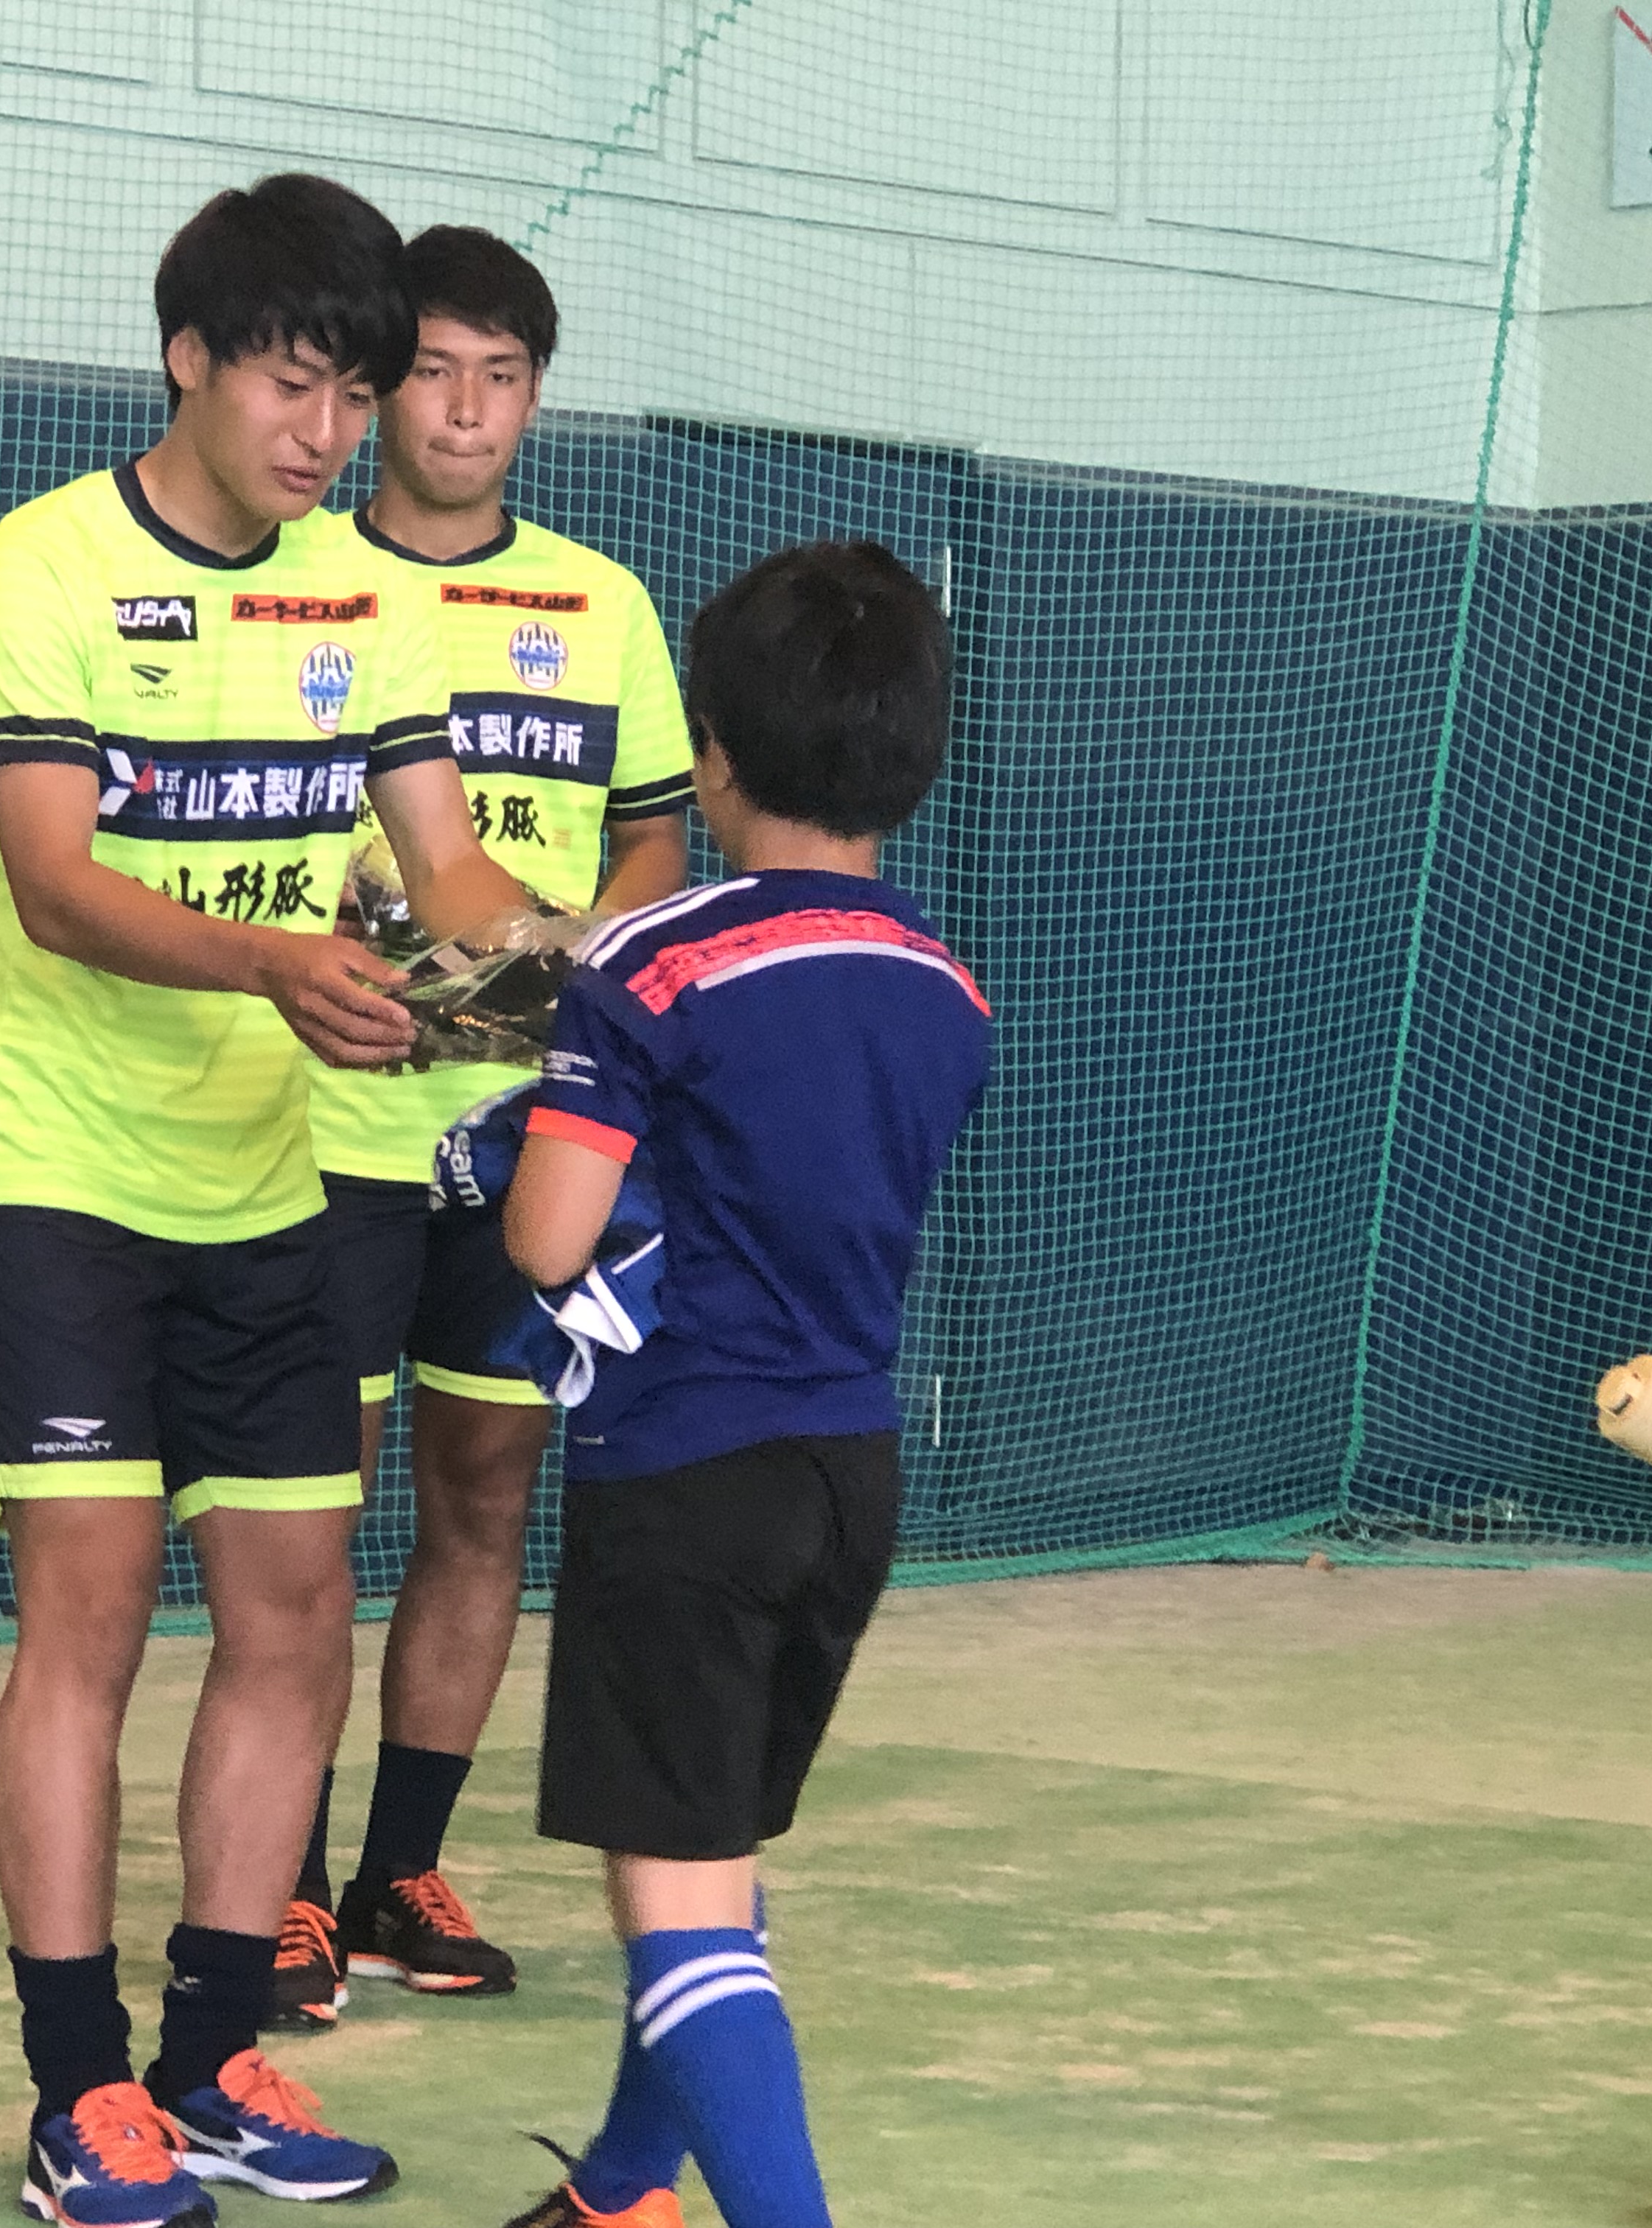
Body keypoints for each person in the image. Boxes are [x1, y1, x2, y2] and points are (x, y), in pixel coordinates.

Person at [0, 174, 526, 2228]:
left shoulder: (367, 600)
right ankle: (75, 2093)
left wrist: (593, 995)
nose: (327, 433)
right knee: (91, 1615)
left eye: (353, 395)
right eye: (293, 384)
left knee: (291, 1614)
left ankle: (207, 2066)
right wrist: (283, 963)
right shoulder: (46, 565)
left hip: (267, 1180)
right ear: (186, 360)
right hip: (56, 1174)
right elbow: (56, 882)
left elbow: (450, 873)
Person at [494, 542, 988, 2228]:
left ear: (712, 754)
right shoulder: (946, 988)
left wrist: (506, 1145)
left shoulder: (645, 963)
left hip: (688, 1474)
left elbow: (551, 1240)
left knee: (681, 1900)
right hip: (851, 1472)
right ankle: (625, 2188)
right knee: (701, 1852)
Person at [273, 225, 693, 2031]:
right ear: (381, 393)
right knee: (302, 1523)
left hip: (529, 1144)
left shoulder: (602, 605)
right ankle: (278, 1889)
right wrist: (447, 963)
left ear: (535, 396)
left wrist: (559, 969)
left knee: (485, 1496)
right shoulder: (296, 578)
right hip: (323, 1134)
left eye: (501, 376)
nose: (465, 410)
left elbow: (657, 837)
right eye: (435, 372)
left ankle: (397, 1874)